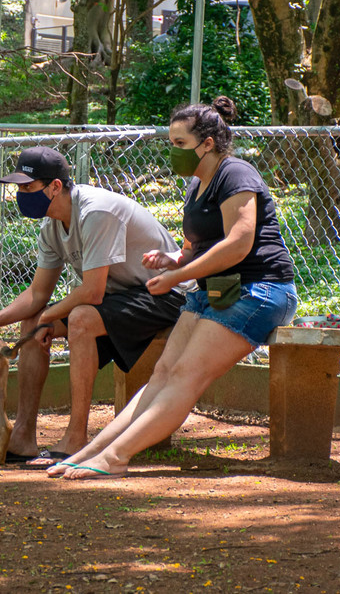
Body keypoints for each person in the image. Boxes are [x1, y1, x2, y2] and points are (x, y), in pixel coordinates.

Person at [47, 97, 299, 480]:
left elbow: (239, 243)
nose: (172, 151)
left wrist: (177, 278)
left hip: (260, 290)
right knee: (163, 372)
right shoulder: (197, 183)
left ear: (208, 144)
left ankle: (115, 457)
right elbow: (195, 247)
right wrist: (173, 261)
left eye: (179, 143)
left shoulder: (236, 174)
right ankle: (92, 451)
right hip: (215, 291)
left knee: (184, 375)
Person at [0, 146, 187, 466]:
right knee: (34, 321)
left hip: (168, 294)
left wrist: (50, 316)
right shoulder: (51, 226)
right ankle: (23, 435)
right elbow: (38, 294)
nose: (21, 194)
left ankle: (76, 440)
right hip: (124, 296)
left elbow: (92, 293)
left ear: (55, 186)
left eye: (28, 187)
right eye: (19, 188)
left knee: (79, 318)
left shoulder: (95, 211)